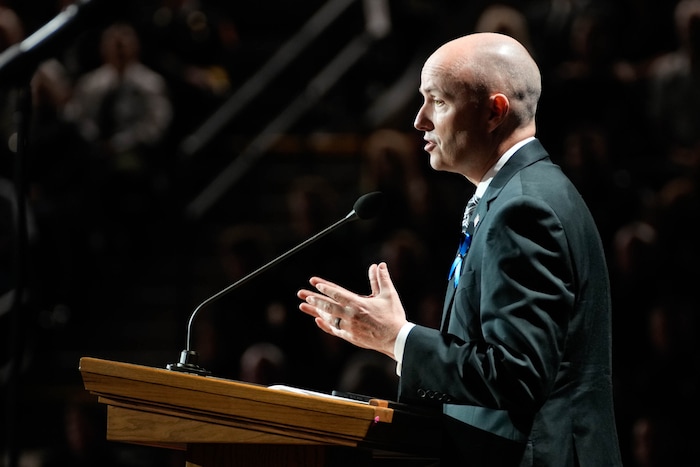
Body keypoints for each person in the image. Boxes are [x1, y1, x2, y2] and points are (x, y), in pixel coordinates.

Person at [297, 32, 622, 466]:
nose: (419, 120)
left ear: (494, 112)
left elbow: (517, 376)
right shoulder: (516, 194)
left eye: (439, 101)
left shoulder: (524, 208)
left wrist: (397, 338)